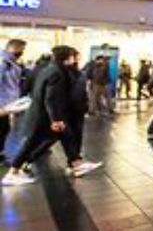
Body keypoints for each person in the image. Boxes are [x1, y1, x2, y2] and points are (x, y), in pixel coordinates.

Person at [2, 46, 101, 186]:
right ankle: (13, 172)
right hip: (44, 117)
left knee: (65, 136)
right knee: (31, 143)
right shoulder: (57, 73)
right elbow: (51, 98)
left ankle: (77, 164)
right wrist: (56, 119)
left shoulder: (50, 69)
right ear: (67, 57)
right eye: (73, 56)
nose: (74, 59)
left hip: (44, 115)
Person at [0, 39, 26, 164]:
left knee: (5, 130)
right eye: (20, 49)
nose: (22, 52)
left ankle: (2, 153)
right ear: (12, 47)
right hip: (3, 104)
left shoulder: (12, 62)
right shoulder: (3, 62)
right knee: (3, 129)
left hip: (10, 103)